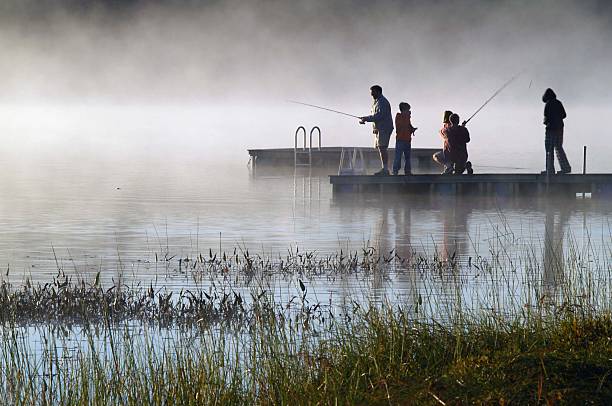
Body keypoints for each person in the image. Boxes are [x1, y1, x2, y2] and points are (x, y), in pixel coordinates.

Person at [359, 85, 394, 176]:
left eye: (373, 92)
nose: (371, 94)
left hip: (385, 128)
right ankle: (384, 169)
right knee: (381, 148)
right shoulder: (376, 102)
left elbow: (379, 116)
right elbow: (375, 116)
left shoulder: (382, 102)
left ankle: (385, 170)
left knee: (382, 148)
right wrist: (373, 127)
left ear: (378, 91)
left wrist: (366, 118)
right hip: (380, 129)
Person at [542, 88, 571, 174]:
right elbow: (564, 115)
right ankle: (566, 168)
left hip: (550, 129)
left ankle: (550, 170)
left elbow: (546, 118)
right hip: (559, 128)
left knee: (549, 150)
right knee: (559, 148)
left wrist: (547, 122)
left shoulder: (548, 104)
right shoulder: (558, 103)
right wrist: (557, 119)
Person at [392, 102, 417, 175]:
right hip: (400, 140)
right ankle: (395, 170)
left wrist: (412, 129)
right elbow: (401, 126)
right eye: (408, 110)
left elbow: (409, 126)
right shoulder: (399, 116)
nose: (409, 111)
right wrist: (407, 116)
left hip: (407, 140)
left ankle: (407, 171)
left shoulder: (407, 118)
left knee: (408, 157)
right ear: (403, 110)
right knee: (398, 157)